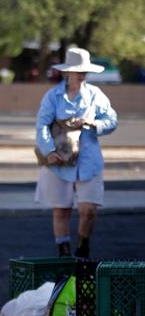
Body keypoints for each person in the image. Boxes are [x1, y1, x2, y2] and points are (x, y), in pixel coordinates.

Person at [35, 47, 118, 258]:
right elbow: (42, 125)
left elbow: (112, 121)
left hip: (88, 161)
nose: (81, 74)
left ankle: (82, 251)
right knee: (60, 210)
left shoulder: (96, 95)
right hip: (59, 160)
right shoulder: (53, 96)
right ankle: (64, 258)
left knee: (88, 210)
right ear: (67, 72)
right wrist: (49, 151)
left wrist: (93, 123)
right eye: (77, 70)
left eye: (84, 71)